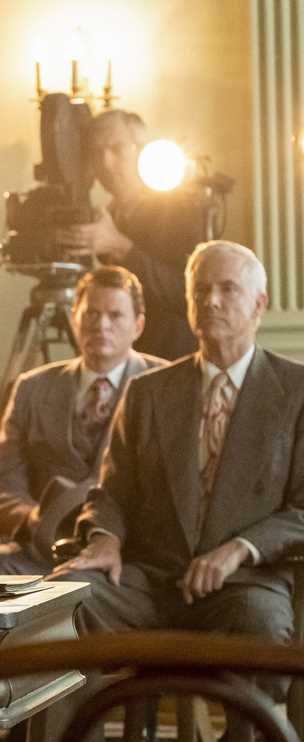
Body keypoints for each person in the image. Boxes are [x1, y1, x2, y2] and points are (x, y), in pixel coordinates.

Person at [52, 242, 304, 724]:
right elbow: (113, 492)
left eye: (227, 289)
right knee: (60, 604)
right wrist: (105, 537)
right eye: (200, 291)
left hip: (243, 587)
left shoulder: (296, 390)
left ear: (259, 304)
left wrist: (238, 550)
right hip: (150, 582)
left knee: (263, 626)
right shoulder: (148, 392)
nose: (211, 301)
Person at [0, 266, 164, 576]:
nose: (101, 325)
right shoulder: (32, 387)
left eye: (115, 316)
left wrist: (107, 533)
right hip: (44, 546)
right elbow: (3, 482)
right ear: (74, 318)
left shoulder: (165, 385)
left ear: (138, 325)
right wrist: (34, 519)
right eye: (91, 314)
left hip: (126, 552)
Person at [58, 109, 210, 361]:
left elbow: (188, 294)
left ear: (142, 150)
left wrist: (120, 247)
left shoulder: (179, 205)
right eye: (97, 153)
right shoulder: (107, 214)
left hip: (171, 360)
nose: (106, 163)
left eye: (117, 149)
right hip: (123, 360)